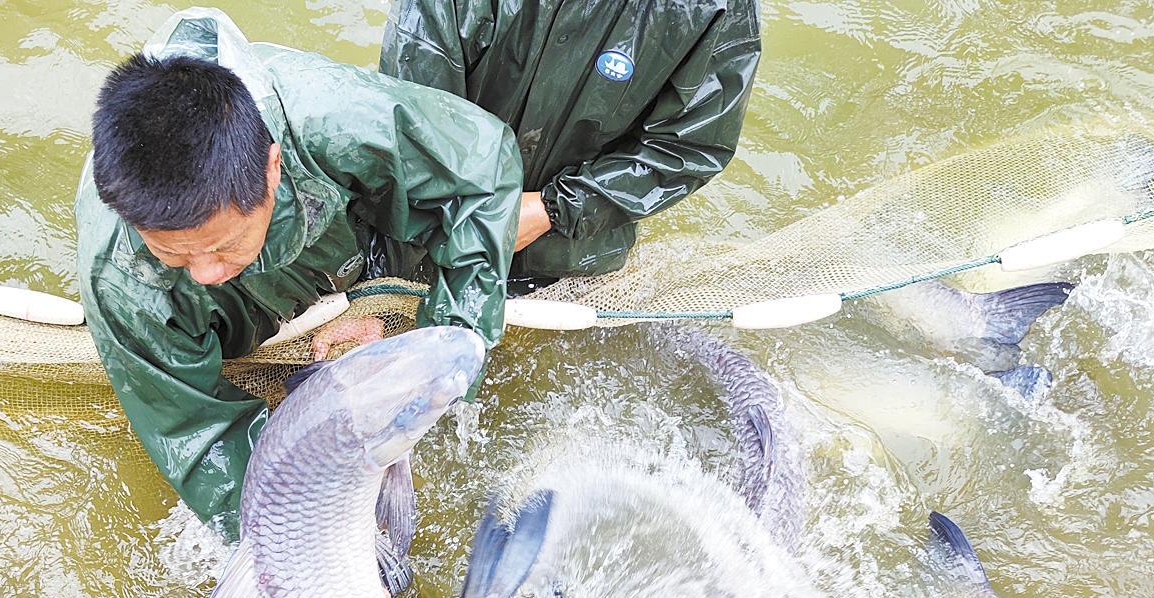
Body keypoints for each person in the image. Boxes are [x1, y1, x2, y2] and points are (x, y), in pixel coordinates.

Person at [75, 10, 522, 536]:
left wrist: (419, 337)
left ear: (272, 167)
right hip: (233, 321)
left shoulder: (340, 121)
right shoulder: (118, 274)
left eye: (223, 245)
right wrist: (300, 535)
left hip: (348, 242)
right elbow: (196, 436)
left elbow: (483, 173)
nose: (205, 273)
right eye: (173, 254)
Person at [380, 0, 762, 287]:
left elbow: (690, 145)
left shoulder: (716, 8)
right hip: (436, 237)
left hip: (573, 256)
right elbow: (410, 120)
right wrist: (378, 274)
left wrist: (554, 208)